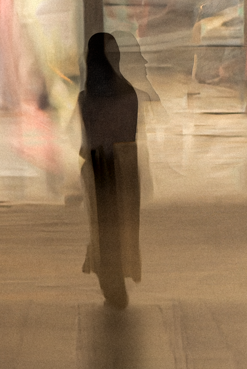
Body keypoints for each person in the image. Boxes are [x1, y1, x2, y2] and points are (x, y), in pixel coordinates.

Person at [78, 32, 142, 309]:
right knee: (123, 225)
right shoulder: (128, 93)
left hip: (99, 168)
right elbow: (129, 132)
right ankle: (117, 282)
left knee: (103, 227)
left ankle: (111, 283)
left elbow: (89, 140)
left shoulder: (87, 98)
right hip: (125, 167)